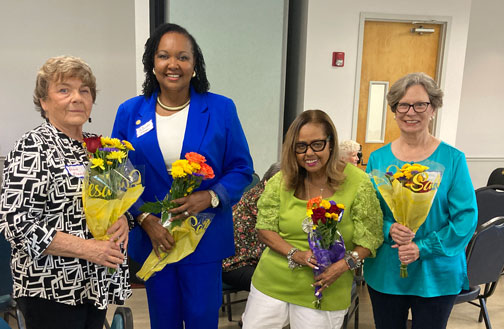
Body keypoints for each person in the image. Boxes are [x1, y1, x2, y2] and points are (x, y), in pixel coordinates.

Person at [111, 23, 253, 329]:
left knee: (202, 319)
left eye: (183, 57)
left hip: (204, 238)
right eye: (164, 56)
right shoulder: (130, 112)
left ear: (195, 64)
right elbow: (118, 175)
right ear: (152, 62)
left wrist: (211, 196)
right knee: (164, 321)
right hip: (155, 240)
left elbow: (241, 169)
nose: (173, 64)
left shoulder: (221, 109)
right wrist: (145, 220)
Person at [0, 56, 131, 329]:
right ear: (44, 102)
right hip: (51, 289)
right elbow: (17, 224)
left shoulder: (98, 148)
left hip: (95, 283)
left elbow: (112, 203)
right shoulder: (33, 147)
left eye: (84, 90)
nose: (77, 98)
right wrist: (87, 249)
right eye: (64, 90)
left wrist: (121, 221)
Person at [242, 110, 383, 329]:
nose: (309, 153)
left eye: (317, 144)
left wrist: (343, 265)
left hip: (326, 286)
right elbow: (264, 229)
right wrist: (295, 254)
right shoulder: (282, 180)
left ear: (331, 144)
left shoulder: (358, 182)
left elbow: (370, 238)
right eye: (301, 146)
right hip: (273, 282)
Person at [363, 72, 478, 329]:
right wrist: (388, 229)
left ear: (433, 108)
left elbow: (466, 218)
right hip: (387, 271)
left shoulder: (453, 159)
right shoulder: (378, 159)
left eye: (420, 104)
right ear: (394, 110)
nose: (410, 112)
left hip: (436, 273)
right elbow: (367, 214)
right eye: (402, 105)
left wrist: (422, 247)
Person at [222, 162, 281, 291]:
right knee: (277, 288)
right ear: (268, 182)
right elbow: (275, 238)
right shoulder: (261, 199)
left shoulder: (262, 194)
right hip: (234, 265)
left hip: (251, 261)